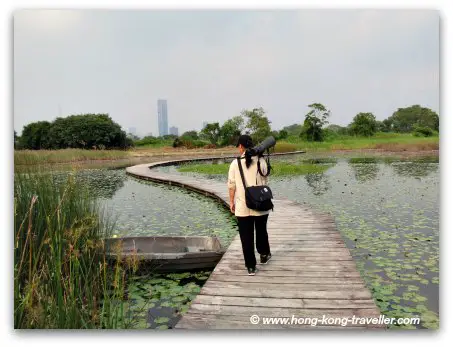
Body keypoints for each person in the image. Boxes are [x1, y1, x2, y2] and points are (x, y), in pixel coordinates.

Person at [227, 134, 272, 276]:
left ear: (241, 146)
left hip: (243, 206)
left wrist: (231, 202)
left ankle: (251, 267)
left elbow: (231, 186)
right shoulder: (261, 160)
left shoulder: (235, 163)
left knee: (246, 237)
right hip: (260, 204)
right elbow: (266, 179)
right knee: (261, 231)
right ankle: (264, 255)